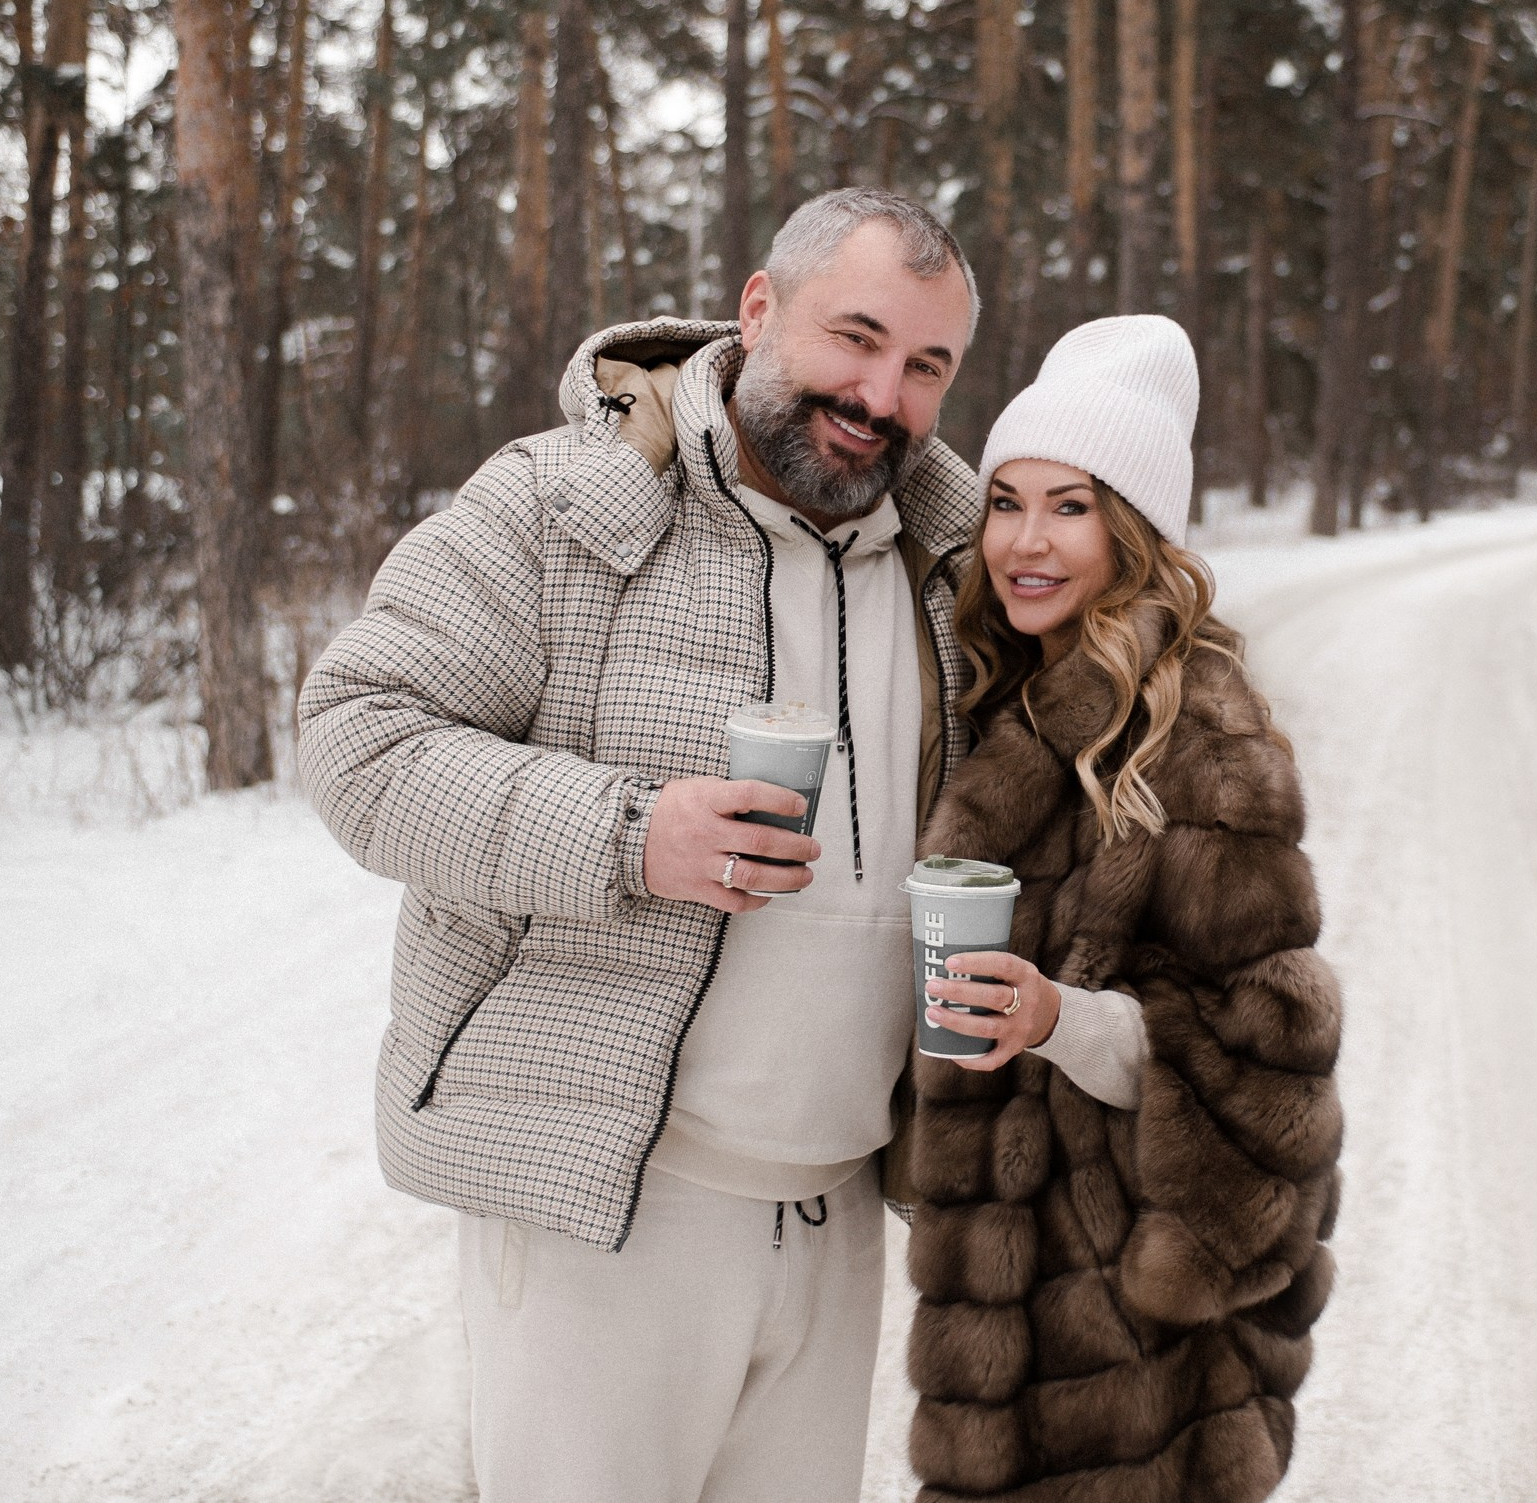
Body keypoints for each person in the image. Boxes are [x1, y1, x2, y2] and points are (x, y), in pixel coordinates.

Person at [298, 189, 1028, 1502]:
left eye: (926, 364)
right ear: (757, 310)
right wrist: (633, 830)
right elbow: (357, 739)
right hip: (614, 1216)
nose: (881, 393)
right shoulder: (559, 506)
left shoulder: (950, 566)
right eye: (853, 337)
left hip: (841, 1208)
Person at [904, 315, 1345, 1503]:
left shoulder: (1204, 741)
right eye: (1005, 501)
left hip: (1134, 1343)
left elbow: (1274, 1081)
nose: (1024, 542)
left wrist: (1063, 1019)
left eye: (1071, 506)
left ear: (1137, 530)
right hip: (1002, 1325)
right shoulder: (1006, 698)